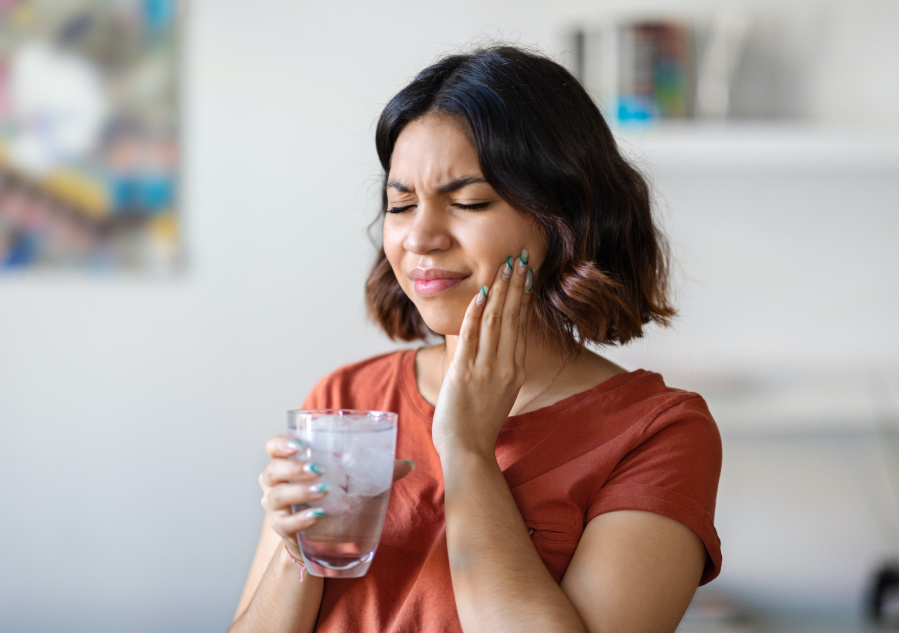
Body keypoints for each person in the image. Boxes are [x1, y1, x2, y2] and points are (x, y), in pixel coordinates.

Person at [230, 45, 722, 633]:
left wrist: (465, 449)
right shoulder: (344, 398)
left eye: (468, 202)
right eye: (401, 204)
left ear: (564, 218)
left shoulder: (658, 432)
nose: (421, 237)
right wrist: (300, 554)